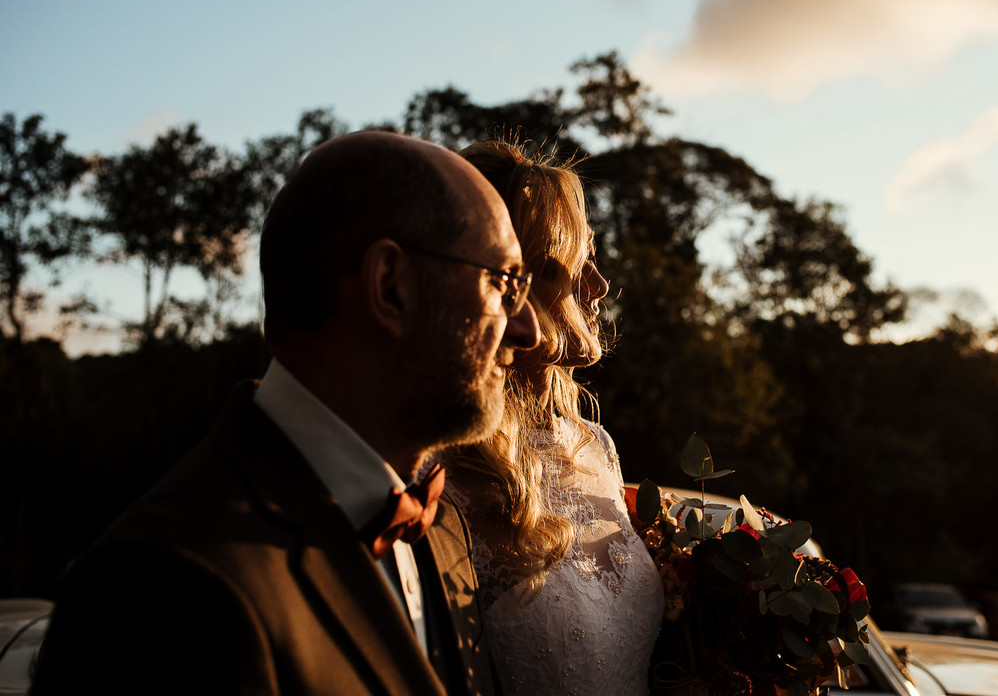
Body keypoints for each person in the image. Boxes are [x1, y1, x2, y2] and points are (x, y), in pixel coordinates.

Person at [33, 131, 540, 696]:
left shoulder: (442, 531)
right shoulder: (158, 590)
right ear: (390, 287)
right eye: (503, 283)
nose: (528, 329)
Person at [440, 140, 664, 696]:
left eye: (593, 256)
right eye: (564, 266)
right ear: (504, 285)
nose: (599, 286)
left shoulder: (596, 446)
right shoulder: (447, 472)